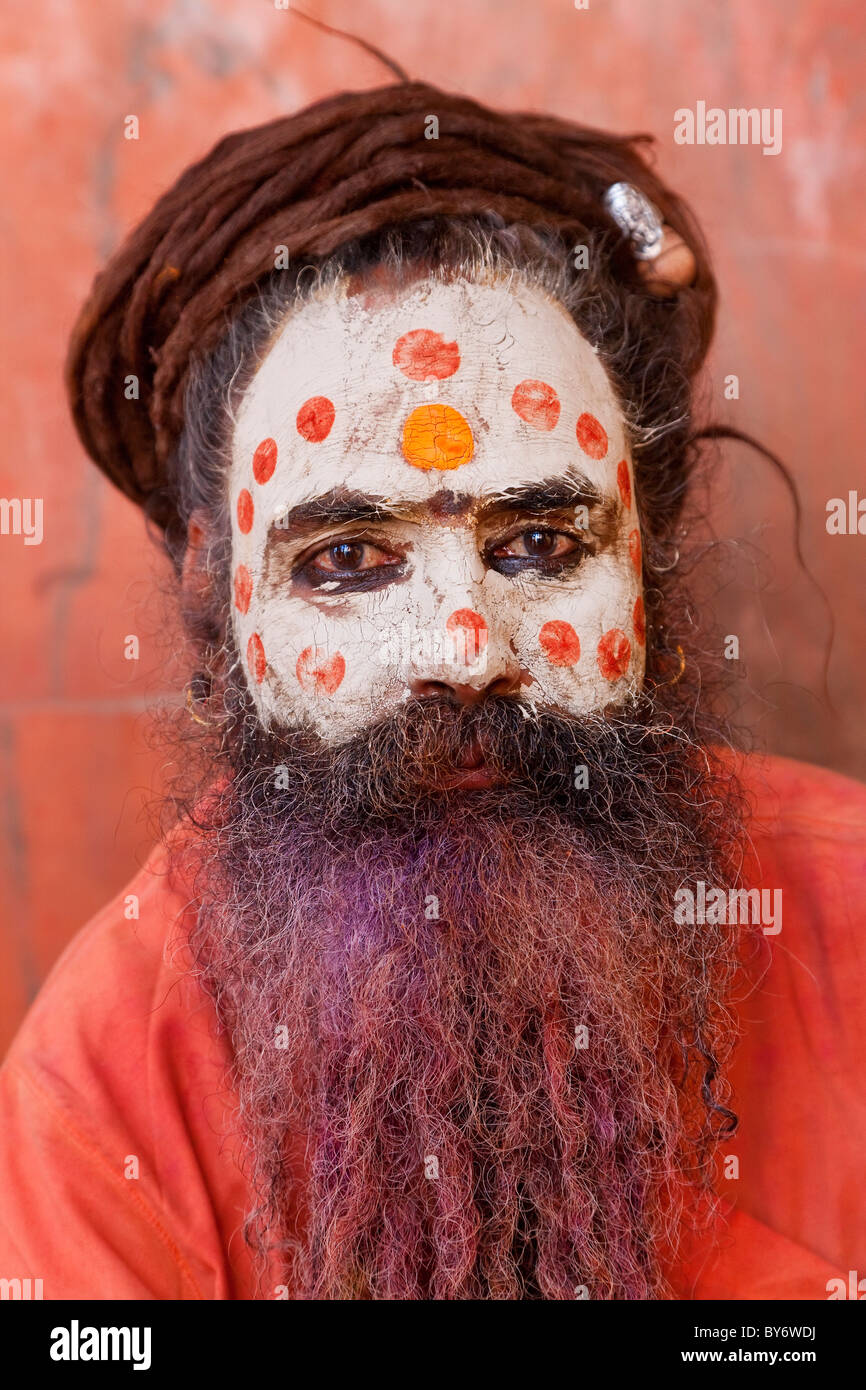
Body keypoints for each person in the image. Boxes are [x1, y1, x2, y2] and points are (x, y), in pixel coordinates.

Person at [1, 81, 864, 1301]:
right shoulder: (102, 1094)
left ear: (646, 564)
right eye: (346, 559)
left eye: (539, 545)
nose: (463, 647)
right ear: (218, 598)